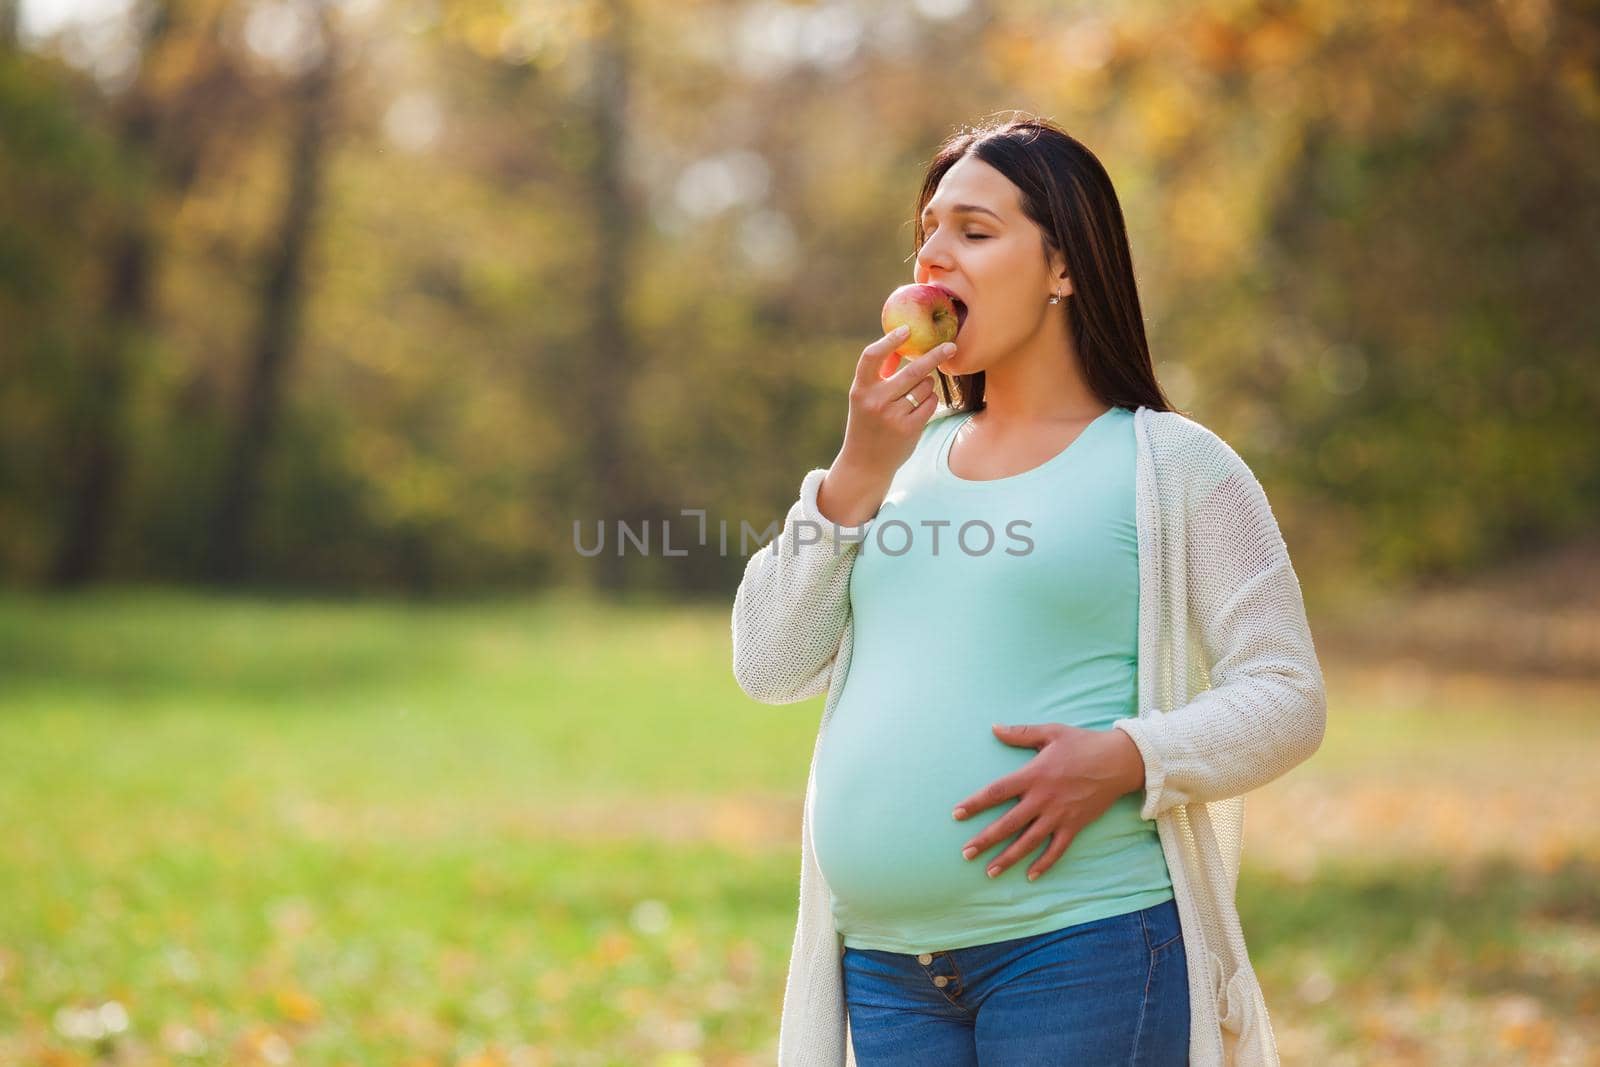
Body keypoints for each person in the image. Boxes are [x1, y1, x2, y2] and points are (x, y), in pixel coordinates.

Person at [731, 114, 1327, 1067]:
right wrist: (849, 476)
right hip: (886, 972)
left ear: (1064, 268)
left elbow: (1288, 694)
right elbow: (767, 663)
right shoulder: (894, 462)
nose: (933, 257)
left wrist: (1127, 755)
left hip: (1081, 947)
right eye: (928, 231)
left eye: (973, 231)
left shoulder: (1173, 465)